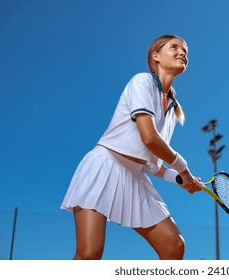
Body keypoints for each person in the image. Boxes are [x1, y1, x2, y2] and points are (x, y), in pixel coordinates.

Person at [61, 34, 202, 260]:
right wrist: (185, 171)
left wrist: (178, 179)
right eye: (174, 47)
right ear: (155, 56)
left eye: (185, 50)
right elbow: (150, 138)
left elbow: (151, 163)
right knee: (89, 255)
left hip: (137, 177)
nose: (182, 52)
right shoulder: (142, 81)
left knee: (174, 246)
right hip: (104, 167)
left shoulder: (173, 110)